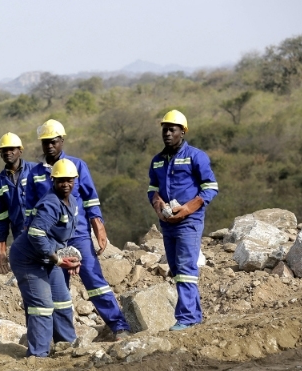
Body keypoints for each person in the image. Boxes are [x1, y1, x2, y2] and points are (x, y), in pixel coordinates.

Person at [24, 119, 132, 340]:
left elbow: (91, 199)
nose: (49, 146)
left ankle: (119, 326)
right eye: (45, 143)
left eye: (53, 142)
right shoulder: (34, 173)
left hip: (78, 234)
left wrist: (99, 228)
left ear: (62, 141)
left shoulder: (78, 166)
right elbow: (30, 209)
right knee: (58, 288)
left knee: (93, 279)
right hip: (53, 241)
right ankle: (63, 338)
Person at [148, 110, 218, 331]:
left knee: (187, 267)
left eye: (172, 129)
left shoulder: (196, 156)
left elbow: (210, 188)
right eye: (165, 129)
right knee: (177, 269)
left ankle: (186, 318)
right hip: (167, 223)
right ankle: (194, 317)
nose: (167, 133)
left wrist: (187, 209)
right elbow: (152, 189)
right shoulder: (157, 161)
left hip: (190, 222)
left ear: (182, 131)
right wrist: (158, 204)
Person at [9, 159, 82, 357]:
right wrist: (57, 260)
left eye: (69, 180)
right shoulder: (50, 202)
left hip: (48, 257)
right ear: (53, 180)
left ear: (75, 180)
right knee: (42, 307)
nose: (65, 184)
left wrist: (70, 257)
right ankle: (38, 356)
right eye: (61, 181)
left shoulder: (72, 202)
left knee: (62, 301)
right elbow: (36, 233)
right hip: (28, 259)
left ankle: (66, 347)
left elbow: (61, 236)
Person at [0, 132, 38, 275]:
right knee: (29, 276)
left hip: (44, 232)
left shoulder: (36, 171)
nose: (8, 152)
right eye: (4, 150)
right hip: (21, 236)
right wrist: (1, 250)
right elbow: (1, 220)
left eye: (12, 149)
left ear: (20, 151)